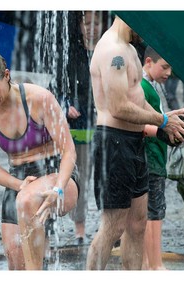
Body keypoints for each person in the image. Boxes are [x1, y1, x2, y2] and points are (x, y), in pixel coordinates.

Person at [86, 15, 184, 270]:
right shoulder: (113, 51)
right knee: (113, 228)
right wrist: (162, 119)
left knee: (138, 223)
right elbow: (119, 107)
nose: (148, 32)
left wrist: (164, 122)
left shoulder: (130, 50)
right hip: (114, 143)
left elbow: (136, 100)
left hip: (134, 142)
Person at [0, 47, 79, 270]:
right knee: (16, 261)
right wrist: (19, 184)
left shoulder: (39, 98)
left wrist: (58, 188)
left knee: (27, 201)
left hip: (57, 172)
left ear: (6, 75)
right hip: (18, 179)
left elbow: (69, 151)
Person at [65, 10, 105, 245]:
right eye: (86, 23)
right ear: (79, 25)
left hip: (106, 125)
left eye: (95, 23)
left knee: (105, 177)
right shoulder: (72, 53)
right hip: (79, 125)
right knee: (80, 176)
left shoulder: (109, 51)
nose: (90, 28)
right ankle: (79, 229)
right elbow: (59, 84)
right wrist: (66, 104)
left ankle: (108, 226)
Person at [140, 46, 172, 270]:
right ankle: (156, 266)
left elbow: (157, 118)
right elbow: (142, 124)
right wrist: (167, 129)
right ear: (149, 62)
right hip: (151, 158)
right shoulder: (143, 87)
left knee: (149, 212)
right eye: (165, 66)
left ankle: (144, 264)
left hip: (153, 157)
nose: (169, 73)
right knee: (154, 213)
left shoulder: (151, 85)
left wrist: (172, 119)